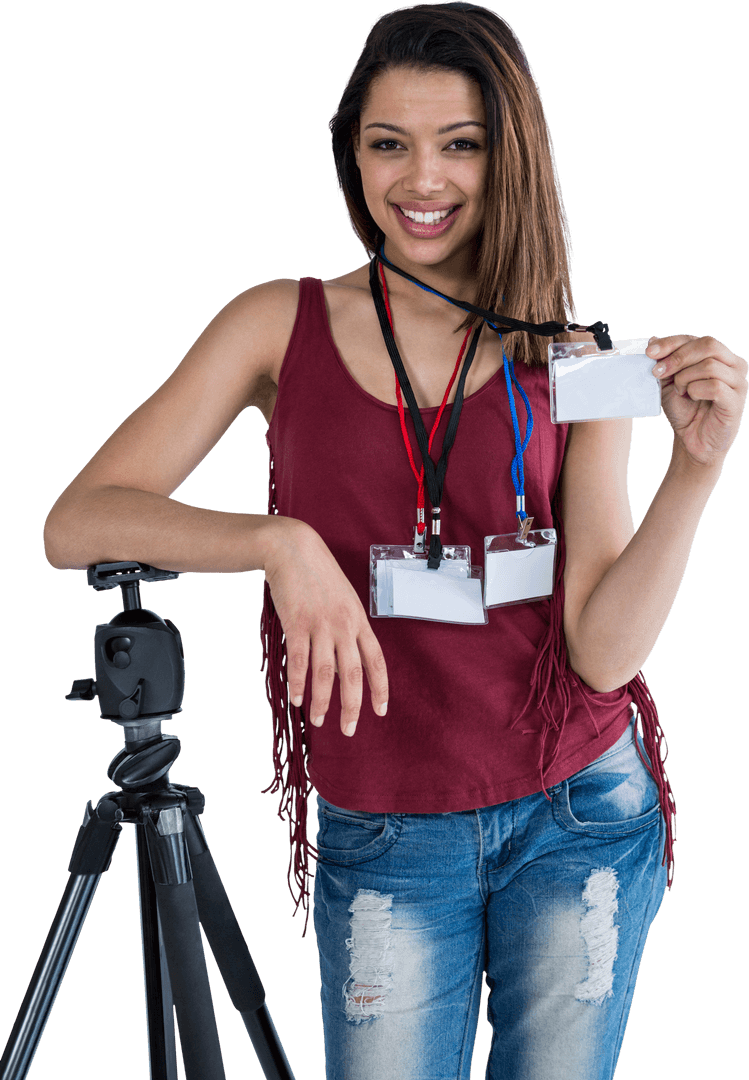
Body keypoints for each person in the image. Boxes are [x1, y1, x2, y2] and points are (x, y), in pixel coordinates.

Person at [42, 3, 747, 1078]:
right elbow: (76, 519)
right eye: (389, 144)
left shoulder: (571, 354)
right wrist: (280, 542)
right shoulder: (275, 323)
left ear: (509, 157)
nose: (422, 180)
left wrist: (694, 473)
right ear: (351, 156)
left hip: (578, 813)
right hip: (385, 831)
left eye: (460, 144)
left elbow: (603, 656)